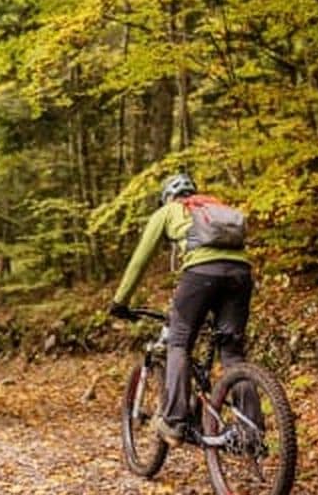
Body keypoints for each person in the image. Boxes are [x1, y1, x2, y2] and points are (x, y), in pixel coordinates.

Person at [108, 172, 261, 446]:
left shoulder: (168, 211)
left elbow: (140, 260)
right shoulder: (217, 208)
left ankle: (175, 422)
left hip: (200, 274)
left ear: (168, 197)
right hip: (241, 275)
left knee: (178, 342)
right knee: (232, 352)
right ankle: (250, 429)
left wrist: (120, 301)